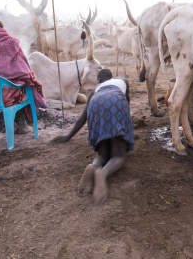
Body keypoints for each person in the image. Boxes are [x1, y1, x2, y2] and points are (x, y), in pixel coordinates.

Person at [52, 68, 134, 206]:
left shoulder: (95, 91)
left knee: (103, 155)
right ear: (112, 77)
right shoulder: (122, 81)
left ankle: (94, 166)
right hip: (116, 102)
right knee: (118, 155)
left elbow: (82, 119)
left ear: (99, 81)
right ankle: (104, 173)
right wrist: (123, 132)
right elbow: (125, 105)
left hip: (96, 104)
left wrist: (68, 136)